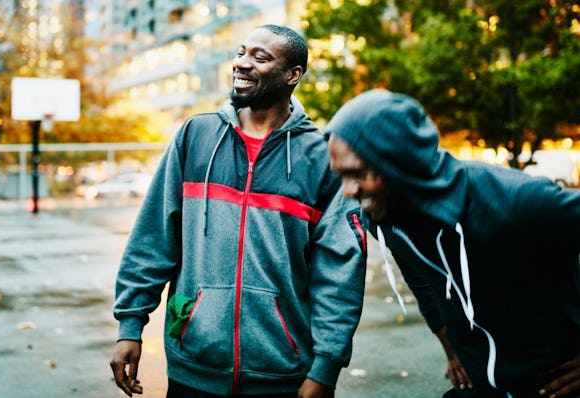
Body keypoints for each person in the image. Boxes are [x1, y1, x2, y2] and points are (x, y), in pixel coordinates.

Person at [109, 25, 367, 398]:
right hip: (193, 366)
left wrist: (325, 368)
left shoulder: (321, 158)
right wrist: (130, 325)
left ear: (293, 75)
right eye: (241, 52)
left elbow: (340, 274)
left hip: (283, 375)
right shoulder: (194, 137)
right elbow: (154, 238)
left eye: (260, 58)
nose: (242, 64)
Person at [325, 88, 580, 397]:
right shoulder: (384, 216)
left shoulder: (517, 202)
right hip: (482, 383)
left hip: (553, 382)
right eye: (341, 176)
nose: (349, 191)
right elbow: (419, 275)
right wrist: (447, 339)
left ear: (400, 162)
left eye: (358, 174)